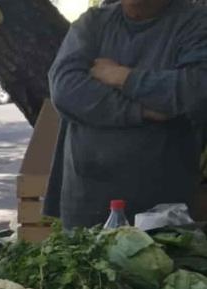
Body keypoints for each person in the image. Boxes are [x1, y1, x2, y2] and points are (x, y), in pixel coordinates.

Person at [45, 0, 207, 228]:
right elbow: (65, 90)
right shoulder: (92, 23)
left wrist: (121, 77)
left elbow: (193, 89)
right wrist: (140, 110)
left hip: (164, 206)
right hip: (86, 200)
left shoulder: (196, 22)